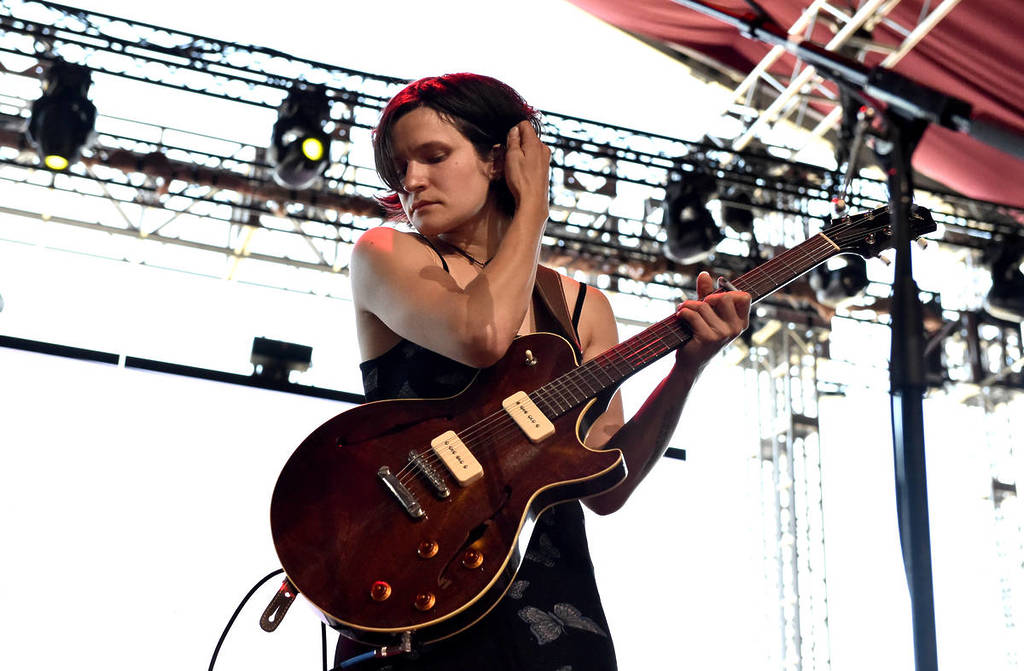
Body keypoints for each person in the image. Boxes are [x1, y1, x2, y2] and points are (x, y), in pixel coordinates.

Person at [338, 73, 751, 670]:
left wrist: (686, 369)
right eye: (400, 169)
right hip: (412, 591)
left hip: (552, 605)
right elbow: (483, 336)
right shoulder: (385, 254)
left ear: (500, 160)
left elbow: (608, 487)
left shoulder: (584, 308)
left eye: (434, 156)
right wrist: (534, 205)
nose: (412, 182)